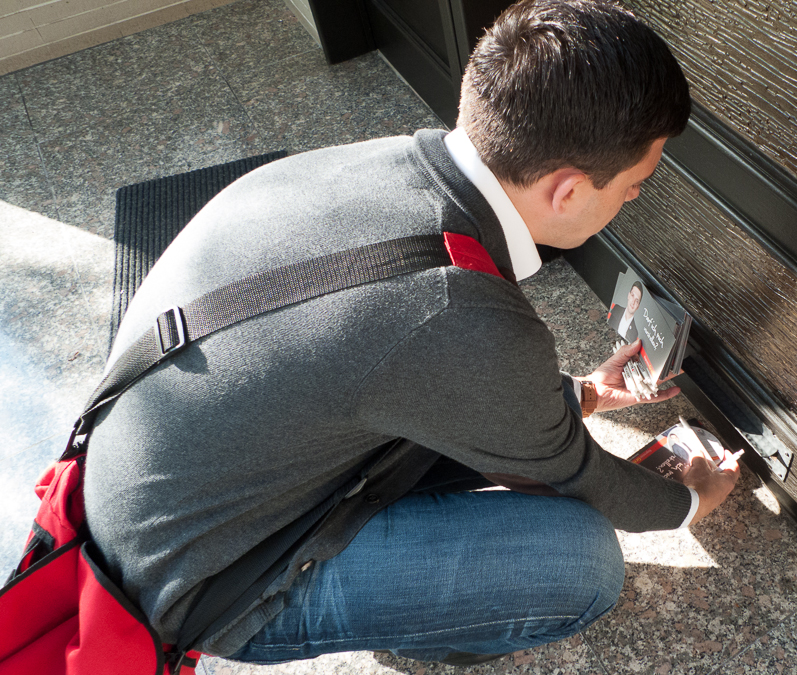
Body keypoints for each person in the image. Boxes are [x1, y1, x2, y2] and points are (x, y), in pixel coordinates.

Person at [83, 0, 740, 666]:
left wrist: (577, 397)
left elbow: (408, 356)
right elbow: (578, 471)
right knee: (582, 561)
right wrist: (688, 499)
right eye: (634, 184)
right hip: (202, 584)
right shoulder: (457, 310)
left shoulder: (380, 166)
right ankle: (426, 625)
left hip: (144, 492)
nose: (633, 199)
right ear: (567, 191)